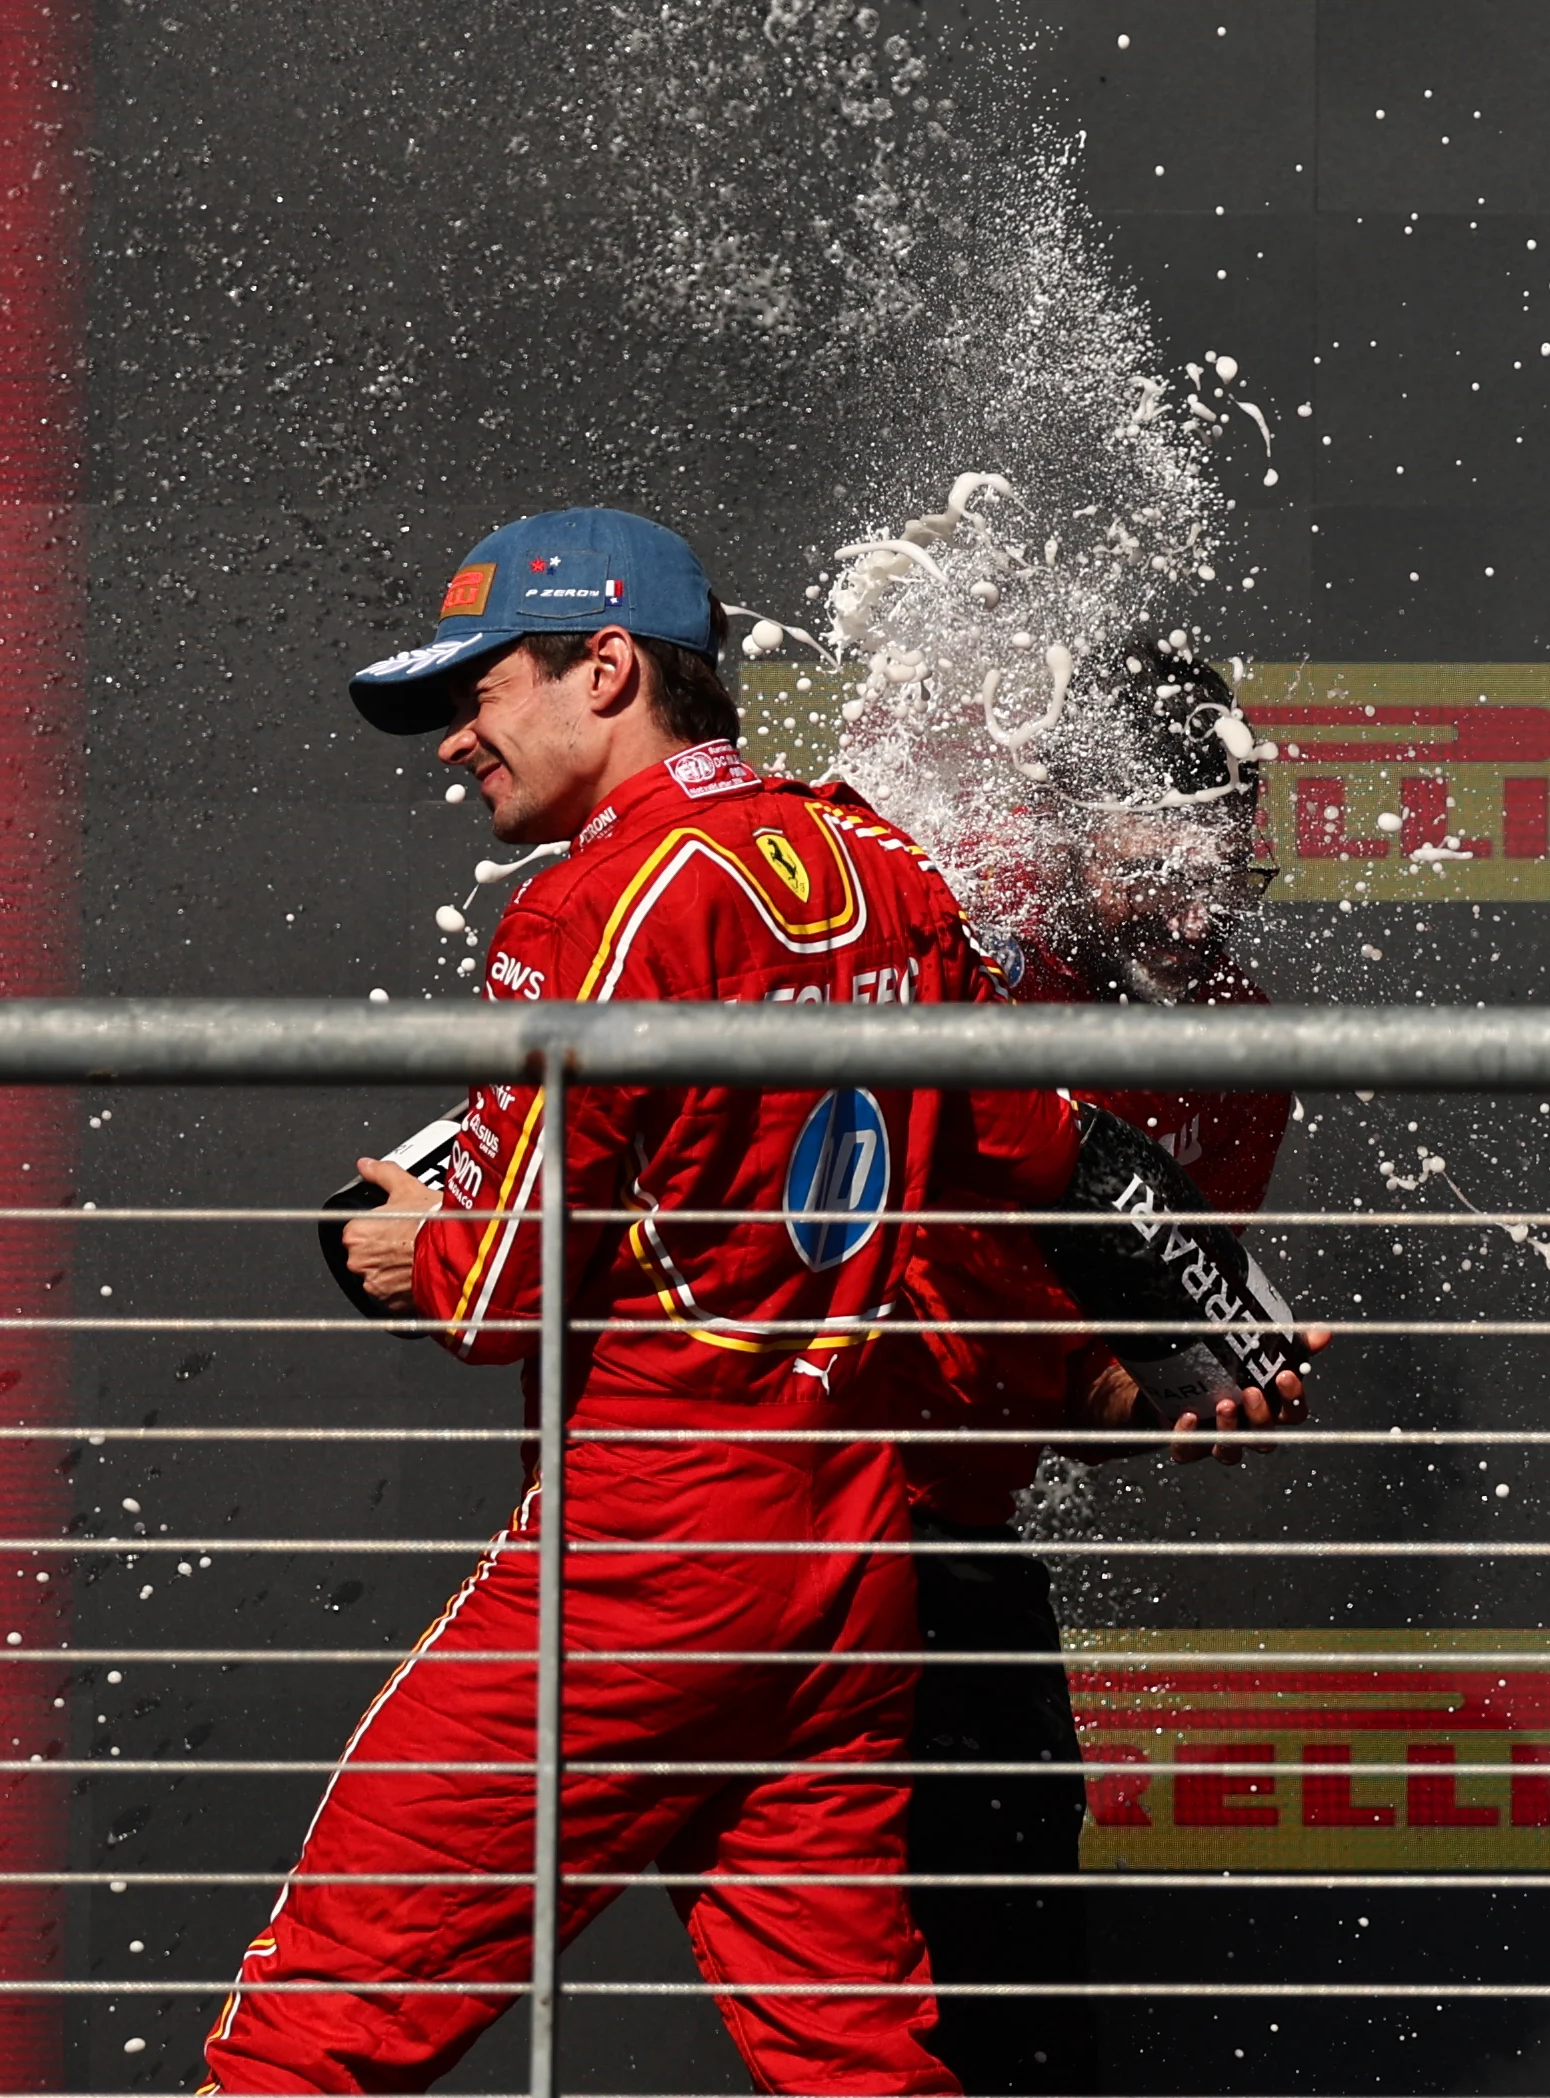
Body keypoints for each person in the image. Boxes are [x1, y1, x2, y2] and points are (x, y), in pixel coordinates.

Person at [201, 510, 1307, 2095]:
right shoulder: (885, 860)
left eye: (480, 688)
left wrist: (409, 1254)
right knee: (862, 2059)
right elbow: (1049, 1144)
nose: (455, 737)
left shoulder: (595, 906)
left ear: (603, 668)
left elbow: (505, 1284)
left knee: (311, 2025)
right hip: (849, 1559)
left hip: (656, 1549)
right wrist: (1217, 1314)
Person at [874, 641, 1293, 2094]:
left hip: (959, 1529)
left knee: (1020, 1976)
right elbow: (886, 1247)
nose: (1192, 897)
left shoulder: (1239, 1051)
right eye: (1152, 849)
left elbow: (1118, 1386)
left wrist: (1199, 1384)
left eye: (1219, 852)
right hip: (818, 1499)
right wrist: (1093, 1379)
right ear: (1064, 823)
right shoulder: (961, 935)